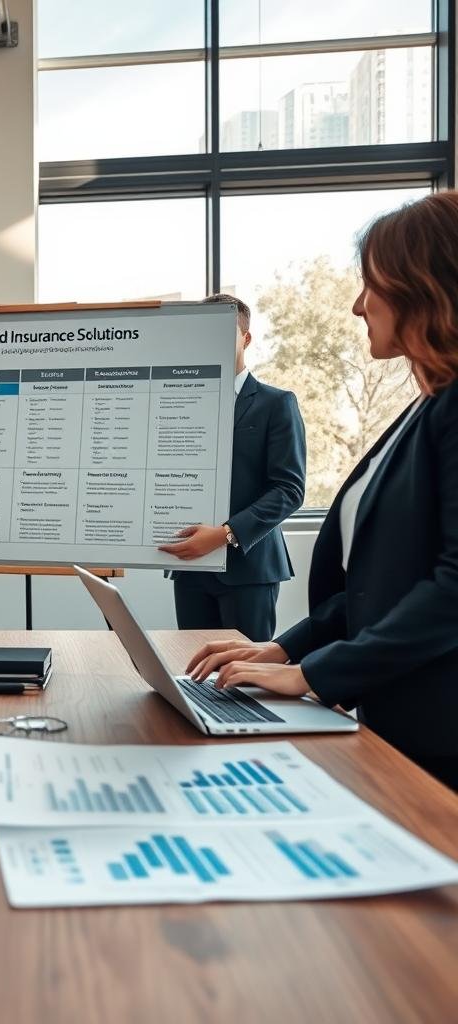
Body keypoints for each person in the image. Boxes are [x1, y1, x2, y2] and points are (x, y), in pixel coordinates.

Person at [186, 192, 458, 791]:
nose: (358, 305)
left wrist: (314, 673)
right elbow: (378, 589)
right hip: (398, 724)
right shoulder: (424, 409)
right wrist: (283, 652)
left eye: (371, 284)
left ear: (423, 284)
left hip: (441, 737)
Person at [159, 294, 306, 641]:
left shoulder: (276, 403)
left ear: (246, 338)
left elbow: (289, 490)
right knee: (193, 675)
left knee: (245, 681)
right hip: (191, 568)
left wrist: (226, 534)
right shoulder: (180, 404)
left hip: (249, 568)